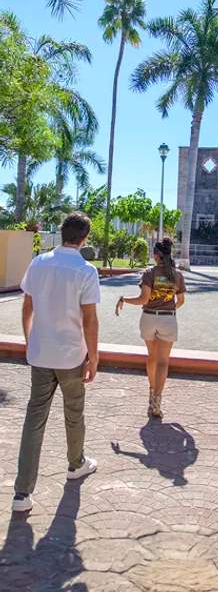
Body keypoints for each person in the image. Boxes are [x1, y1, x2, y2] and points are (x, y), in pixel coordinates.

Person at [12, 212, 100, 514]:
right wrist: (94, 356)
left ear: (62, 233)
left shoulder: (39, 263)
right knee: (74, 413)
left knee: (34, 419)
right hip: (71, 356)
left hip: (41, 354)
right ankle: (76, 464)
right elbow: (90, 319)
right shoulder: (86, 270)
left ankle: (22, 493)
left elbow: (27, 306)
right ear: (84, 238)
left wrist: (29, 340)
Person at [115, 238, 185, 419]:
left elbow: (143, 300)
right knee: (163, 361)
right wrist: (167, 309)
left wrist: (124, 299)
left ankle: (151, 393)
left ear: (156, 255)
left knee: (151, 357)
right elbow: (181, 301)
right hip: (168, 320)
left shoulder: (149, 273)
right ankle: (157, 401)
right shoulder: (177, 275)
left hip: (148, 318)